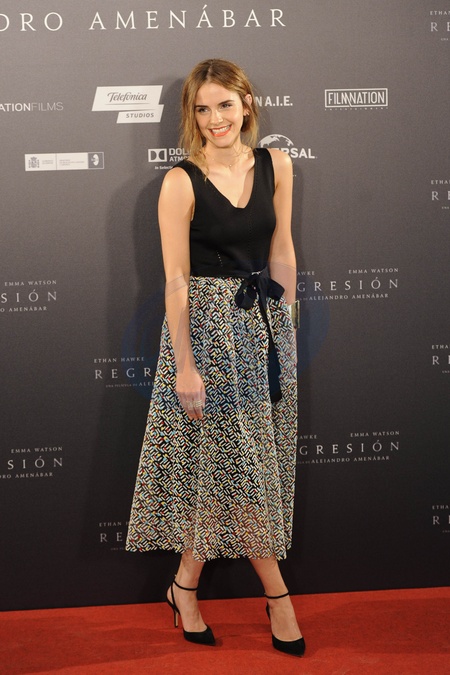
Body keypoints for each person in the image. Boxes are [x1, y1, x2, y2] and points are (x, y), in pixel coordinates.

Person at [126, 58, 304, 657]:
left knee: (225, 471)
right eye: (202, 109)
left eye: (224, 105)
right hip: (206, 334)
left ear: (246, 104)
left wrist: (286, 331)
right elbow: (176, 279)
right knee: (240, 469)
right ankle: (279, 598)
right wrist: (184, 364)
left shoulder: (278, 164)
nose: (214, 119)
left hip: (263, 329)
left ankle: (183, 586)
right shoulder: (180, 182)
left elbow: (283, 250)